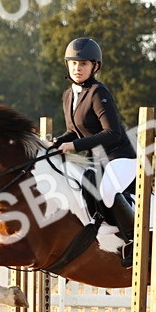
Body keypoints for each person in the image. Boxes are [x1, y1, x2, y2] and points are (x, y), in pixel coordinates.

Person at [51, 37, 138, 267]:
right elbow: (73, 130)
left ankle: (136, 241)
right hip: (97, 160)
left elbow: (113, 133)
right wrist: (55, 143)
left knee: (107, 190)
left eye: (83, 64)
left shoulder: (99, 93)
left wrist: (75, 146)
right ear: (67, 65)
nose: (78, 68)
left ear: (94, 67)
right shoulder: (68, 95)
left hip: (119, 157)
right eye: (74, 64)